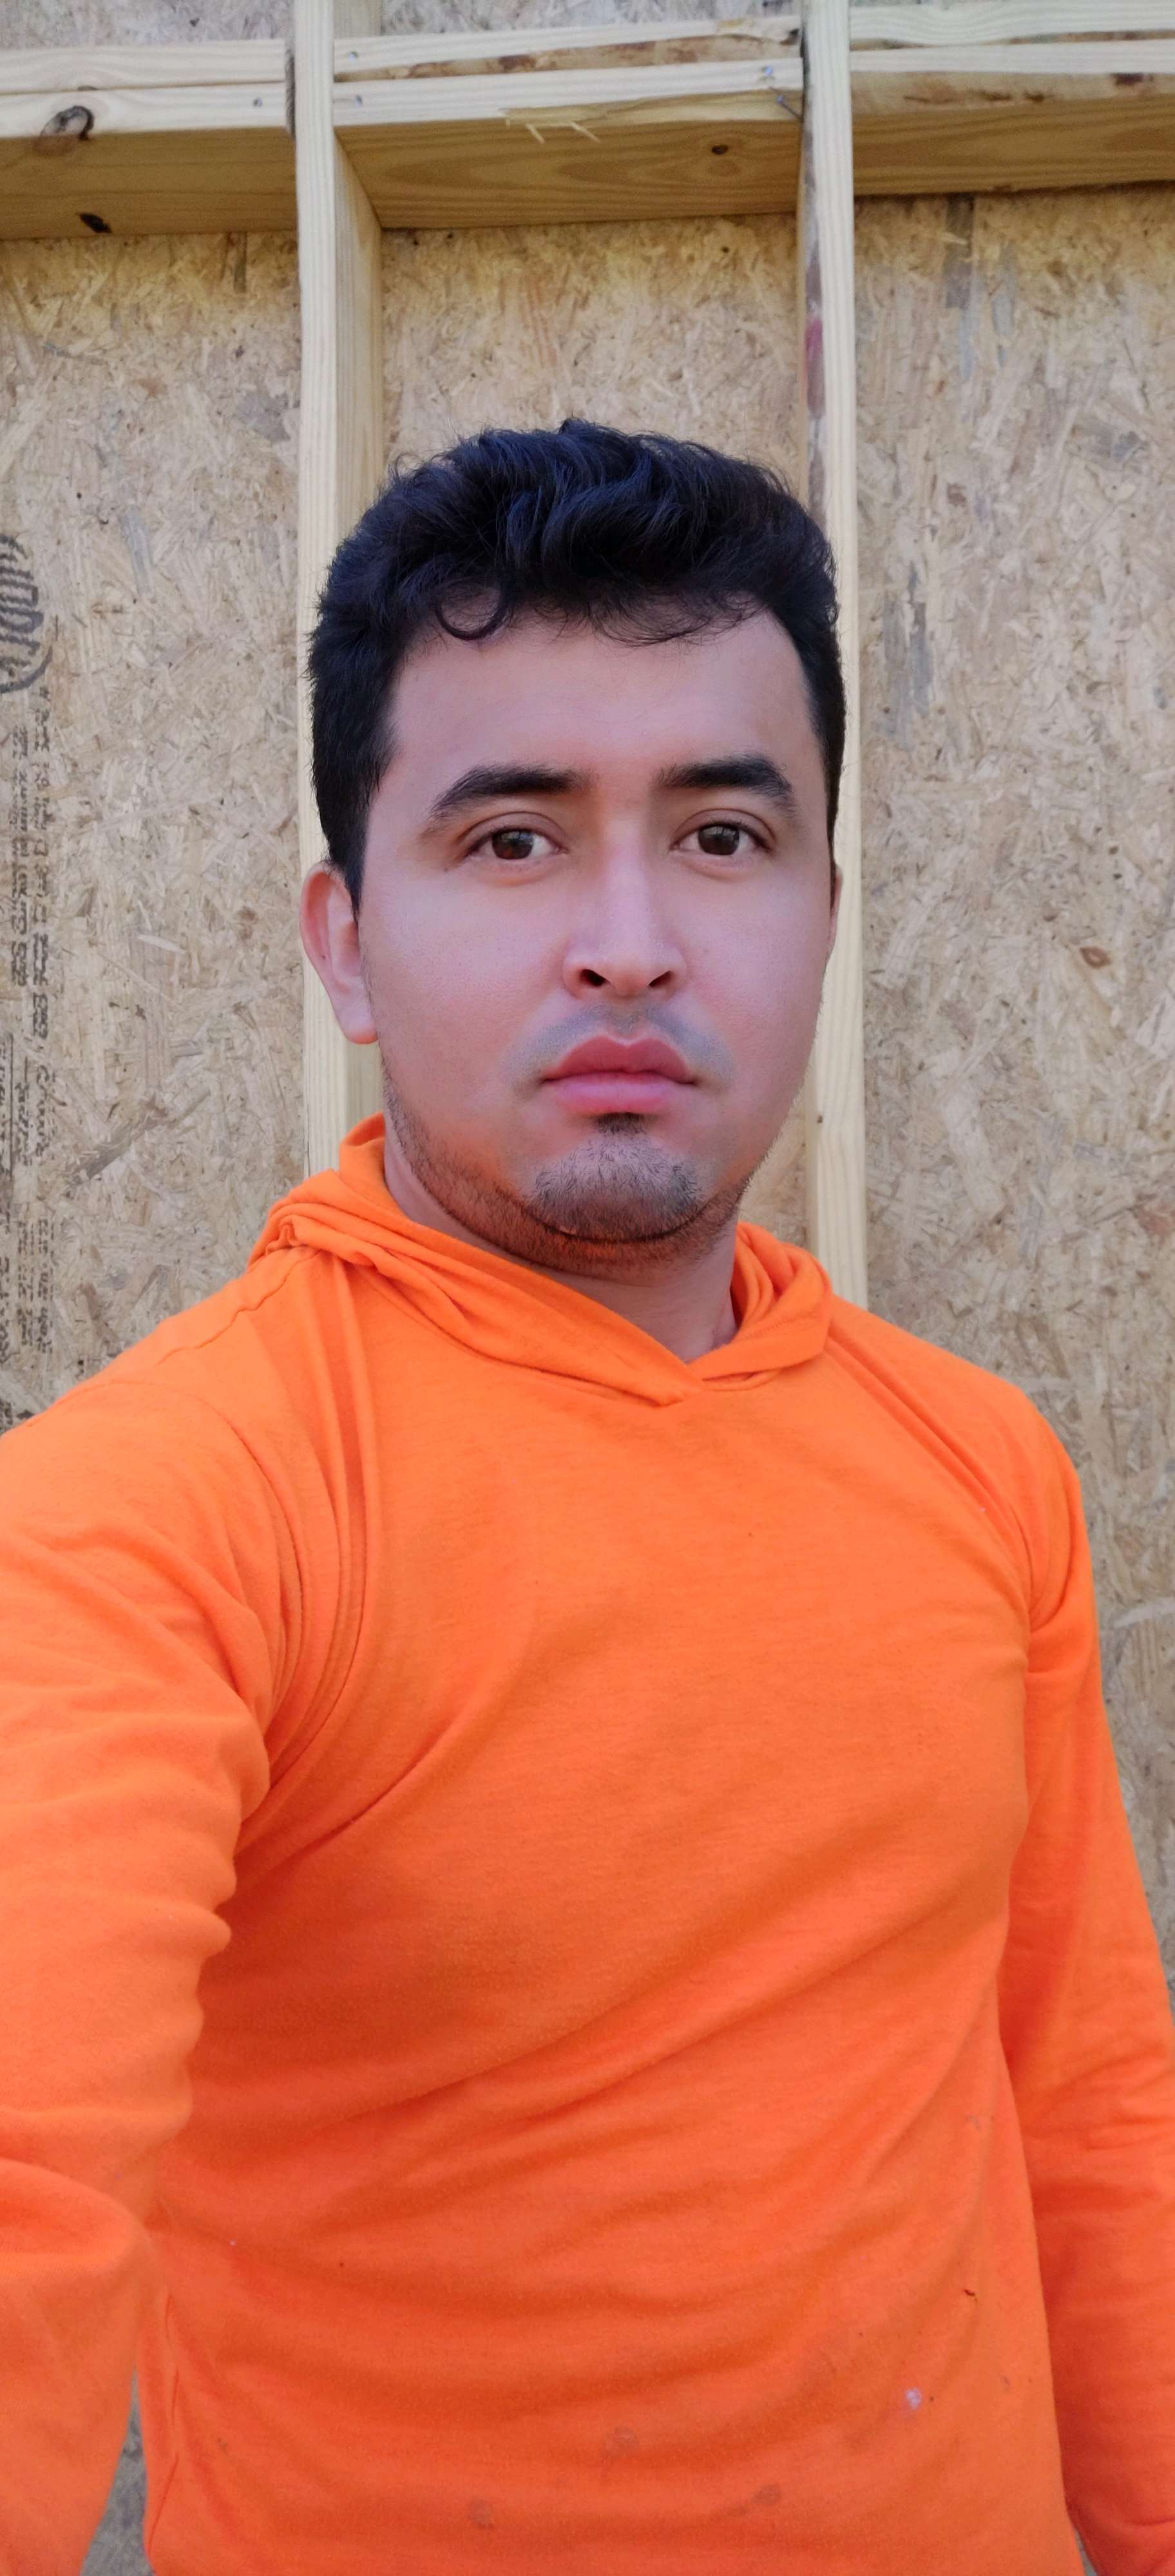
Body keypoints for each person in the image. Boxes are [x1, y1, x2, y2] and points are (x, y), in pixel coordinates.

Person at [1, 420, 1172, 2576]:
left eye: (724, 837)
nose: (629, 944)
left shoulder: (978, 1461)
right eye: (515, 839)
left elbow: (1088, 2105)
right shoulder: (160, 1512)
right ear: (347, 946)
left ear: (826, 916)